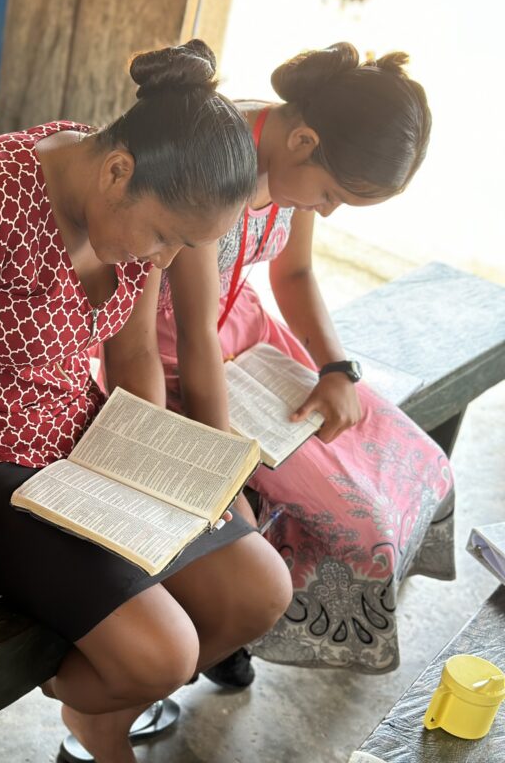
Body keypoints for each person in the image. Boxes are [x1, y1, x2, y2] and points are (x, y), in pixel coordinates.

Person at [0, 40, 292, 763]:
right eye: (167, 238)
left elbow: (136, 354)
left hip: (76, 440)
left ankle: (97, 717)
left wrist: (159, 471)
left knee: (257, 589)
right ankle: (96, 707)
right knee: (162, 652)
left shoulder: (134, 208)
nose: (167, 261)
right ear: (118, 172)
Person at [155, 43, 453, 685]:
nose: (327, 210)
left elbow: (294, 271)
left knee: (420, 464)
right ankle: (230, 617)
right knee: (356, 520)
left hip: (247, 339)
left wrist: (337, 367)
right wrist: (219, 468)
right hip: (178, 361)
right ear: (304, 140)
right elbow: (193, 341)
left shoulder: (289, 150)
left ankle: (238, 622)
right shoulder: (217, 163)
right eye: (331, 194)